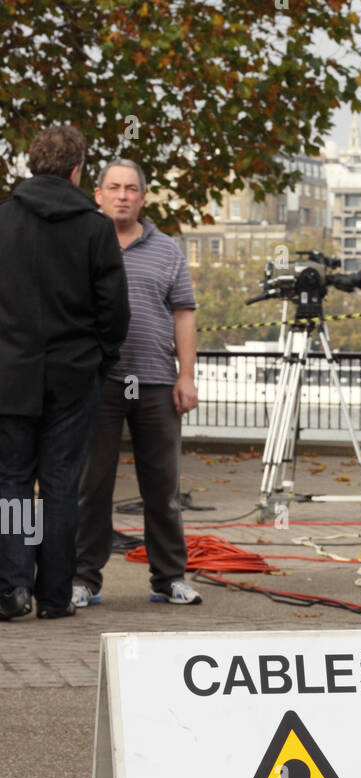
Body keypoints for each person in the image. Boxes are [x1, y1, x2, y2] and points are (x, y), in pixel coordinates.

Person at [0, 126, 129, 620]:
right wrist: (103, 355)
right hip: (74, 376)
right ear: (78, 171)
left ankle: (12, 589)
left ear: (30, 165)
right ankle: (56, 595)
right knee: (59, 485)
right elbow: (114, 309)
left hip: (11, 375)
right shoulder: (95, 229)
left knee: (11, 484)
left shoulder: (3, 222)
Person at [74, 159, 201, 606]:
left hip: (155, 383)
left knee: (163, 488)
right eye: (114, 187)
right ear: (98, 194)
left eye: (131, 188)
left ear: (143, 197)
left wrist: (186, 375)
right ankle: (83, 579)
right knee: (92, 486)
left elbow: (183, 314)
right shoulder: (80, 243)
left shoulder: (166, 250)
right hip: (98, 383)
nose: (123, 195)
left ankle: (169, 578)